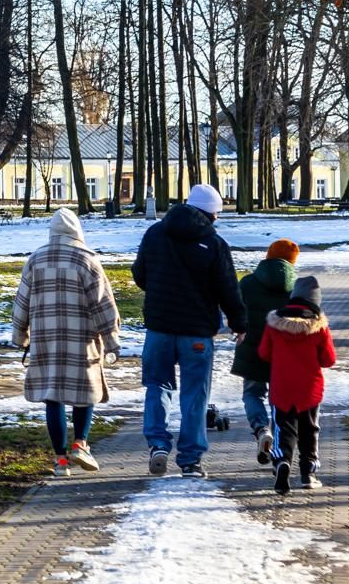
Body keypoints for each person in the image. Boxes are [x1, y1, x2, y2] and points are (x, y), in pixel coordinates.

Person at [131, 183, 246, 477]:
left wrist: (160, 290)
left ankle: (157, 444)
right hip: (197, 332)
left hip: (159, 327)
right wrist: (239, 323)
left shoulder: (156, 233)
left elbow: (139, 273)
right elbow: (228, 288)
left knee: (158, 385)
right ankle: (191, 460)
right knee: (195, 394)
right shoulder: (213, 243)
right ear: (210, 214)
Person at [13, 207, 123, 478]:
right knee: (85, 392)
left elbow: (22, 302)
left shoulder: (35, 260)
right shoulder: (87, 260)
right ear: (77, 232)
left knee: (53, 397)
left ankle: (60, 461)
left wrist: (20, 335)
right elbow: (103, 304)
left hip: (46, 340)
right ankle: (80, 443)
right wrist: (111, 341)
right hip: (82, 338)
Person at [259, 275, 336, 494]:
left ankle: (282, 462)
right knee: (310, 430)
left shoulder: (274, 323)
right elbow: (329, 359)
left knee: (284, 429)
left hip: (281, 388)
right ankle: (308, 474)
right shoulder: (319, 326)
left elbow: (264, 353)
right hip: (309, 390)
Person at [231, 239, 299, 466]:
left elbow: (235, 310)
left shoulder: (248, 282)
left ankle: (261, 429)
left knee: (252, 393)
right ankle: (280, 445)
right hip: (284, 352)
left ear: (268, 256)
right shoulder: (295, 287)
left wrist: (237, 329)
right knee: (280, 399)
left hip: (252, 347)